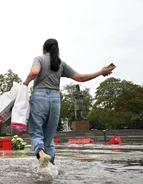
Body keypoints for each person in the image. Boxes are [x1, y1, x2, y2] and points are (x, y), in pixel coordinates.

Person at [23, 38, 116, 172]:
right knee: (49, 137)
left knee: (36, 131)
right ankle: (51, 168)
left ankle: (41, 153)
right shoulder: (61, 64)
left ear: (44, 49)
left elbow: (34, 72)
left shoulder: (39, 58)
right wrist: (101, 72)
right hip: (55, 99)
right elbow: (81, 78)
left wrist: (25, 83)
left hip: (39, 98)